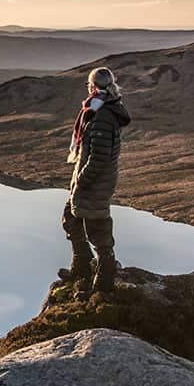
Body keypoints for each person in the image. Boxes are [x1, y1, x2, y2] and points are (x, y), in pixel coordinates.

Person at [59, 67, 131, 293]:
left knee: (98, 231)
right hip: (89, 181)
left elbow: (99, 158)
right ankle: (81, 267)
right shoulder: (97, 109)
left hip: (95, 182)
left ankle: (103, 283)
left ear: (93, 86)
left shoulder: (103, 115)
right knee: (71, 219)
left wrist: (81, 181)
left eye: (89, 84)